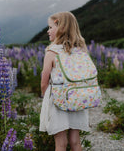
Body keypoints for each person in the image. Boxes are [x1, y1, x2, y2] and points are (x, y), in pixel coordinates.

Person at [39, 11, 90, 151]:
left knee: (60, 144)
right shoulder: (81, 50)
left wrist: (45, 97)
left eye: (50, 27)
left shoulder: (51, 52)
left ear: (60, 27)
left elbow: (44, 81)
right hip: (77, 99)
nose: (48, 31)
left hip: (58, 100)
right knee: (75, 142)